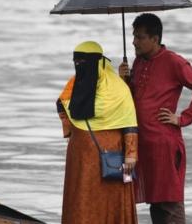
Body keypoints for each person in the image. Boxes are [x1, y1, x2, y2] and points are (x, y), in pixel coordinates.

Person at [119, 13, 192, 224]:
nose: (134, 41)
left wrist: (182, 118)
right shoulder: (138, 61)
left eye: (140, 37)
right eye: (133, 36)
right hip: (141, 144)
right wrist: (124, 80)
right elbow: (133, 99)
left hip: (164, 145)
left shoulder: (173, 61)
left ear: (155, 38)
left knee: (169, 202)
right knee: (155, 202)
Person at [57, 41, 138, 224]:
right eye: (76, 63)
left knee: (113, 201)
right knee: (81, 199)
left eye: (84, 62)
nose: (80, 67)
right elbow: (61, 103)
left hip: (115, 156)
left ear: (99, 62)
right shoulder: (75, 83)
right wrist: (72, 131)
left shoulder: (119, 88)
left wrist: (131, 156)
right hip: (81, 157)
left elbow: (130, 121)